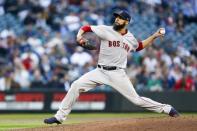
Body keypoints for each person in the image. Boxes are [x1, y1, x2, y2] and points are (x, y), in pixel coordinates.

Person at [44, 10, 180, 125]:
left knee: (137, 100)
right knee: (75, 85)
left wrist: (154, 36)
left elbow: (138, 46)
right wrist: (79, 37)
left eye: (120, 18)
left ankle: (167, 109)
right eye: (116, 17)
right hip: (100, 71)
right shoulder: (105, 29)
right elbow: (86, 28)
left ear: (126, 22)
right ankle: (59, 117)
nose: (117, 19)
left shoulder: (130, 38)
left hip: (117, 74)